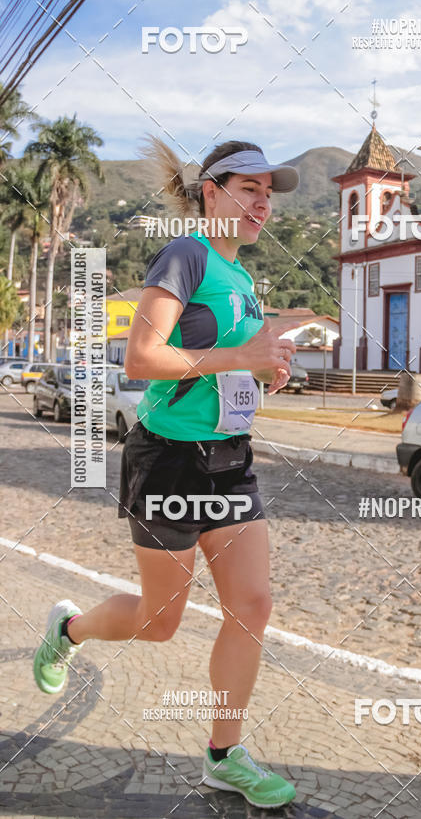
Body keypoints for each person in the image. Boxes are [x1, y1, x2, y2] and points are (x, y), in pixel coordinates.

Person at [33, 135, 304, 809]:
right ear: (211, 193)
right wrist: (240, 356)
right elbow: (142, 358)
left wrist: (264, 370)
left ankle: (223, 756)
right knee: (159, 621)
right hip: (170, 461)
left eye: (268, 193)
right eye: (249, 188)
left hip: (231, 460)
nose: (262, 203)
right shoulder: (186, 254)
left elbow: (228, 364)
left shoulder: (242, 280)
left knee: (253, 606)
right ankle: (68, 631)